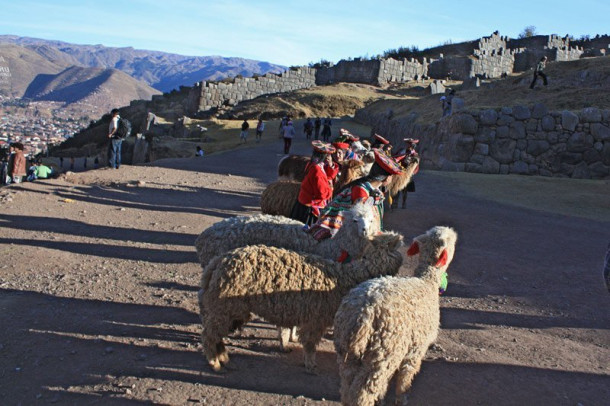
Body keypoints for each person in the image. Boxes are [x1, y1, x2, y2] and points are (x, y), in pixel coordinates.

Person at [308, 149, 403, 241]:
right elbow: (358, 224)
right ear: (387, 178)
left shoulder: (373, 192)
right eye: (391, 176)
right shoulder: (361, 192)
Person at [290, 141, 336, 226]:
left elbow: (326, 177)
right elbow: (321, 194)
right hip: (310, 208)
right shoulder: (317, 170)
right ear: (325, 157)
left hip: (303, 202)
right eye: (328, 155)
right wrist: (330, 189)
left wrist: (330, 166)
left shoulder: (312, 164)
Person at [392, 138, 420, 209]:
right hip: (398, 172)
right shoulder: (402, 151)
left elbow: (416, 167)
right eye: (408, 144)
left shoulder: (415, 155)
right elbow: (395, 158)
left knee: (405, 190)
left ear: (413, 146)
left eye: (410, 145)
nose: (408, 146)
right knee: (397, 188)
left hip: (407, 174)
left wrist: (411, 173)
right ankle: (395, 203)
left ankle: (404, 203)